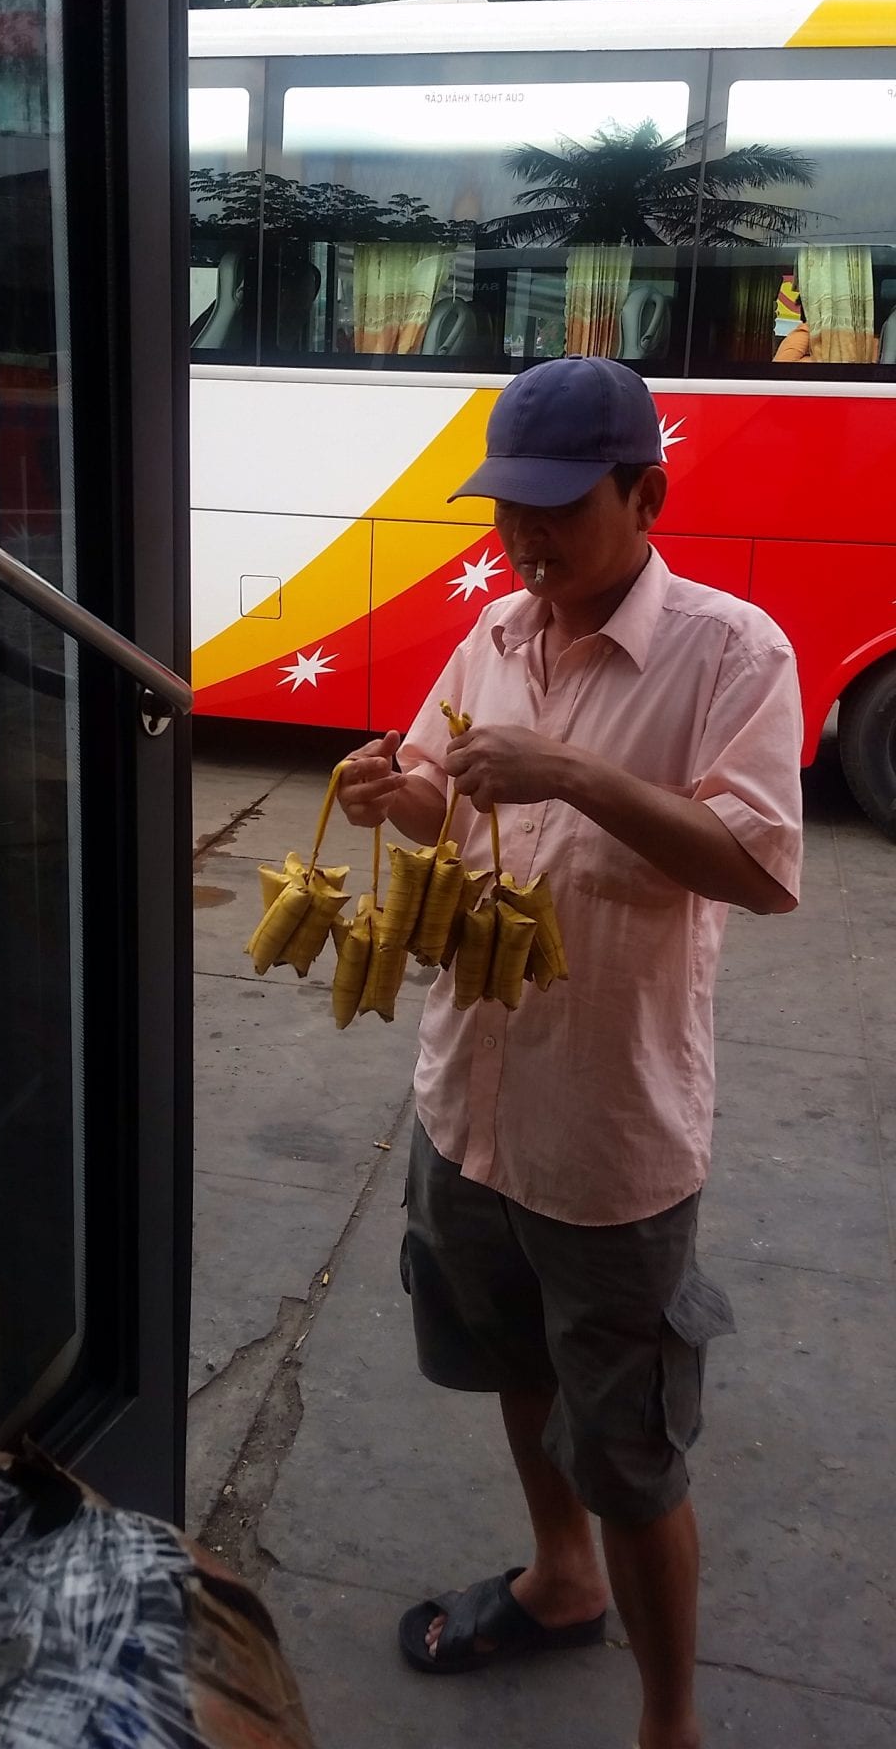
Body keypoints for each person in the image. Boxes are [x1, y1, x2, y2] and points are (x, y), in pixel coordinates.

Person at [335, 356, 803, 1749]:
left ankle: (670, 1722)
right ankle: (559, 1578)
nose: (526, 543)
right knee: (510, 1361)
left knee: (632, 1445)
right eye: (505, 514)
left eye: (556, 510)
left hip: (609, 1139)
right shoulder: (493, 634)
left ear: (644, 493)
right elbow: (440, 801)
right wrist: (395, 789)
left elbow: (765, 868)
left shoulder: (733, 653)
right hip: (469, 1105)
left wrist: (579, 775)